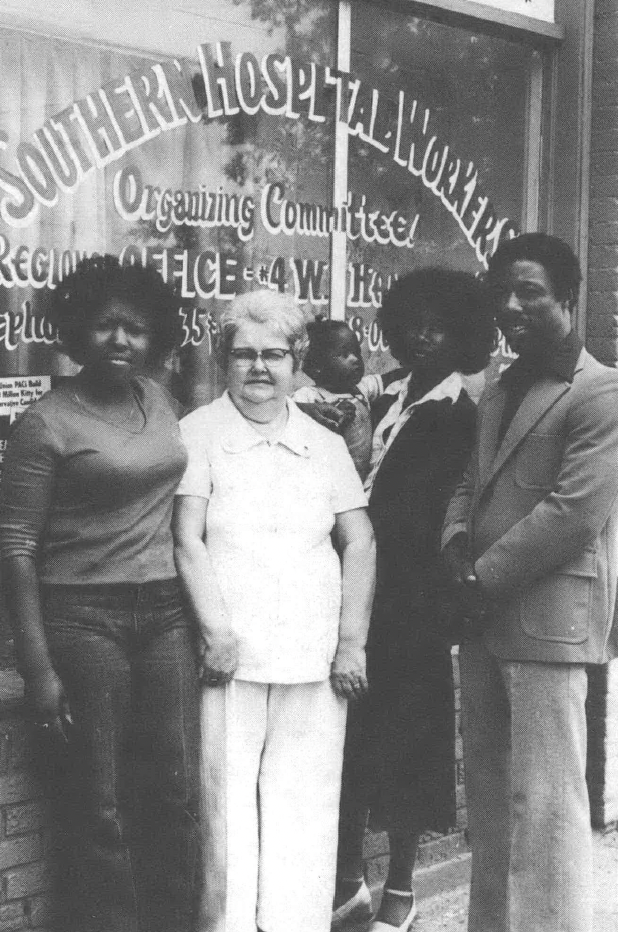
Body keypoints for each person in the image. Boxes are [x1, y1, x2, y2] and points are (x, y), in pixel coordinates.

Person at [0, 255, 201, 932]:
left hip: (167, 613)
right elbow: (16, 549)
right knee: (100, 801)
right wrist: (38, 668)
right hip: (84, 620)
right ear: (78, 331)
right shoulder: (46, 423)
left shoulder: (162, 402)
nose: (122, 340)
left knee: (173, 789)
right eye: (107, 326)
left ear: (157, 337)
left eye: (137, 329)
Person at [172, 289, 376, 932]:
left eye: (275, 355)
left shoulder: (325, 442)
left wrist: (351, 642)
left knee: (306, 801)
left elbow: (360, 541)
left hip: (314, 653)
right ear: (224, 360)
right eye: (244, 355)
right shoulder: (197, 432)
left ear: (298, 361)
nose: (260, 368)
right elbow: (186, 538)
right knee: (224, 802)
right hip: (227, 653)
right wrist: (215, 631)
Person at [442, 232, 618, 932]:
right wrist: (454, 544)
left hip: (548, 621)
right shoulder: (497, 383)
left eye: (530, 293)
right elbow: (471, 482)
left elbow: (574, 514)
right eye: (503, 293)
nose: (511, 306)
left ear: (569, 298)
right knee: (490, 803)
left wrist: (480, 578)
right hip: (483, 615)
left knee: (546, 807)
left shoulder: (601, 391)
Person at [333, 268, 495, 931]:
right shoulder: (387, 391)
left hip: (415, 600)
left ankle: (400, 882)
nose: (422, 335)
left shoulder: (464, 411)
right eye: (411, 323)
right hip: (360, 586)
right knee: (349, 736)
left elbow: (437, 505)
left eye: (439, 324)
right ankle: (348, 879)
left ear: (462, 334)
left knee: (406, 740)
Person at [293, 319, 387, 480]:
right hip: (329, 479)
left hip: (361, 482)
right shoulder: (309, 396)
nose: (355, 359)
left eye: (357, 352)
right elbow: (288, 416)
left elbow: (392, 378)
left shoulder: (362, 389)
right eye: (343, 355)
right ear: (317, 367)